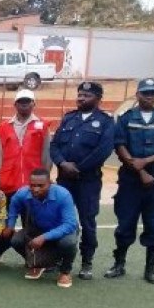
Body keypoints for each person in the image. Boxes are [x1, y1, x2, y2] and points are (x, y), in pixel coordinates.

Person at [105, 78, 154, 284]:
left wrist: (146, 162)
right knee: (125, 223)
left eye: (153, 93)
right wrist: (140, 171)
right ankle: (119, 264)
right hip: (131, 180)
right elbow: (120, 146)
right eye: (145, 93)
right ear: (137, 95)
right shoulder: (126, 118)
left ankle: (150, 268)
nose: (149, 96)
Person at [50, 81, 115, 280]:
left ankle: (87, 261)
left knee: (87, 221)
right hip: (64, 180)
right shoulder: (69, 118)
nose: (81, 98)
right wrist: (62, 163)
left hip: (88, 181)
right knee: (61, 218)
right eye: (79, 94)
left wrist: (78, 168)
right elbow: (54, 146)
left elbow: (103, 150)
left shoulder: (105, 121)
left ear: (98, 99)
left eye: (86, 96)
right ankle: (59, 257)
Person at [6, 168, 79, 289]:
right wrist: (10, 226)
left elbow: (70, 224)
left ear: (50, 183)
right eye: (32, 185)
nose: (35, 189)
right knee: (15, 240)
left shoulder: (63, 195)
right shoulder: (24, 193)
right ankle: (38, 264)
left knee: (68, 243)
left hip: (62, 231)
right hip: (38, 229)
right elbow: (14, 203)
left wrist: (44, 237)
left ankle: (65, 272)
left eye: (40, 186)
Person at [0, 89, 51, 197]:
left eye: (28, 101)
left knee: (31, 214)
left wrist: (45, 178)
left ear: (34, 104)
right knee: (9, 213)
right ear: (15, 105)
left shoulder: (43, 126)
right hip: (8, 181)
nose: (24, 104)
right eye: (21, 101)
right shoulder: (3, 127)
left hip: (34, 183)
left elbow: (47, 156)